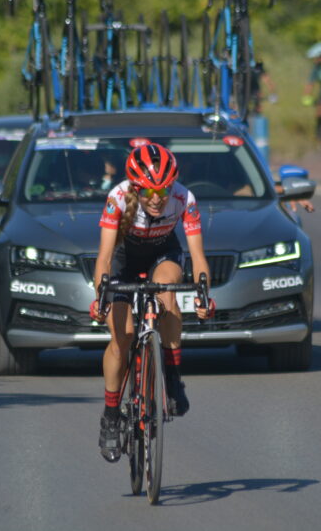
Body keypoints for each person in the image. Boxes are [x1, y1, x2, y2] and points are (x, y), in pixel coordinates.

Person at [90, 143, 215, 463]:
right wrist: (100, 298)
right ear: (135, 187)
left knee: (168, 294)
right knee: (123, 336)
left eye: (164, 189)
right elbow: (104, 257)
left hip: (163, 253)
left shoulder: (184, 199)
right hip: (123, 259)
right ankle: (110, 415)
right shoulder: (117, 197)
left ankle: (172, 379)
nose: (158, 198)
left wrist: (204, 295)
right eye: (149, 191)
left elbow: (198, 257)